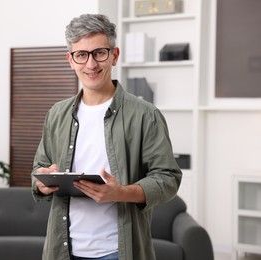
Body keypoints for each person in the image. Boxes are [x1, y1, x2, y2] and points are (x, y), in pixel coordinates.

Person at [31, 13, 182, 260]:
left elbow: (168, 179)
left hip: (118, 251)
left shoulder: (146, 115)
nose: (91, 65)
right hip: (63, 251)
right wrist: (42, 181)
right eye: (81, 55)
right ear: (71, 60)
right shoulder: (56, 114)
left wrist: (121, 192)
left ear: (114, 55)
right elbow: (39, 167)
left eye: (99, 53)